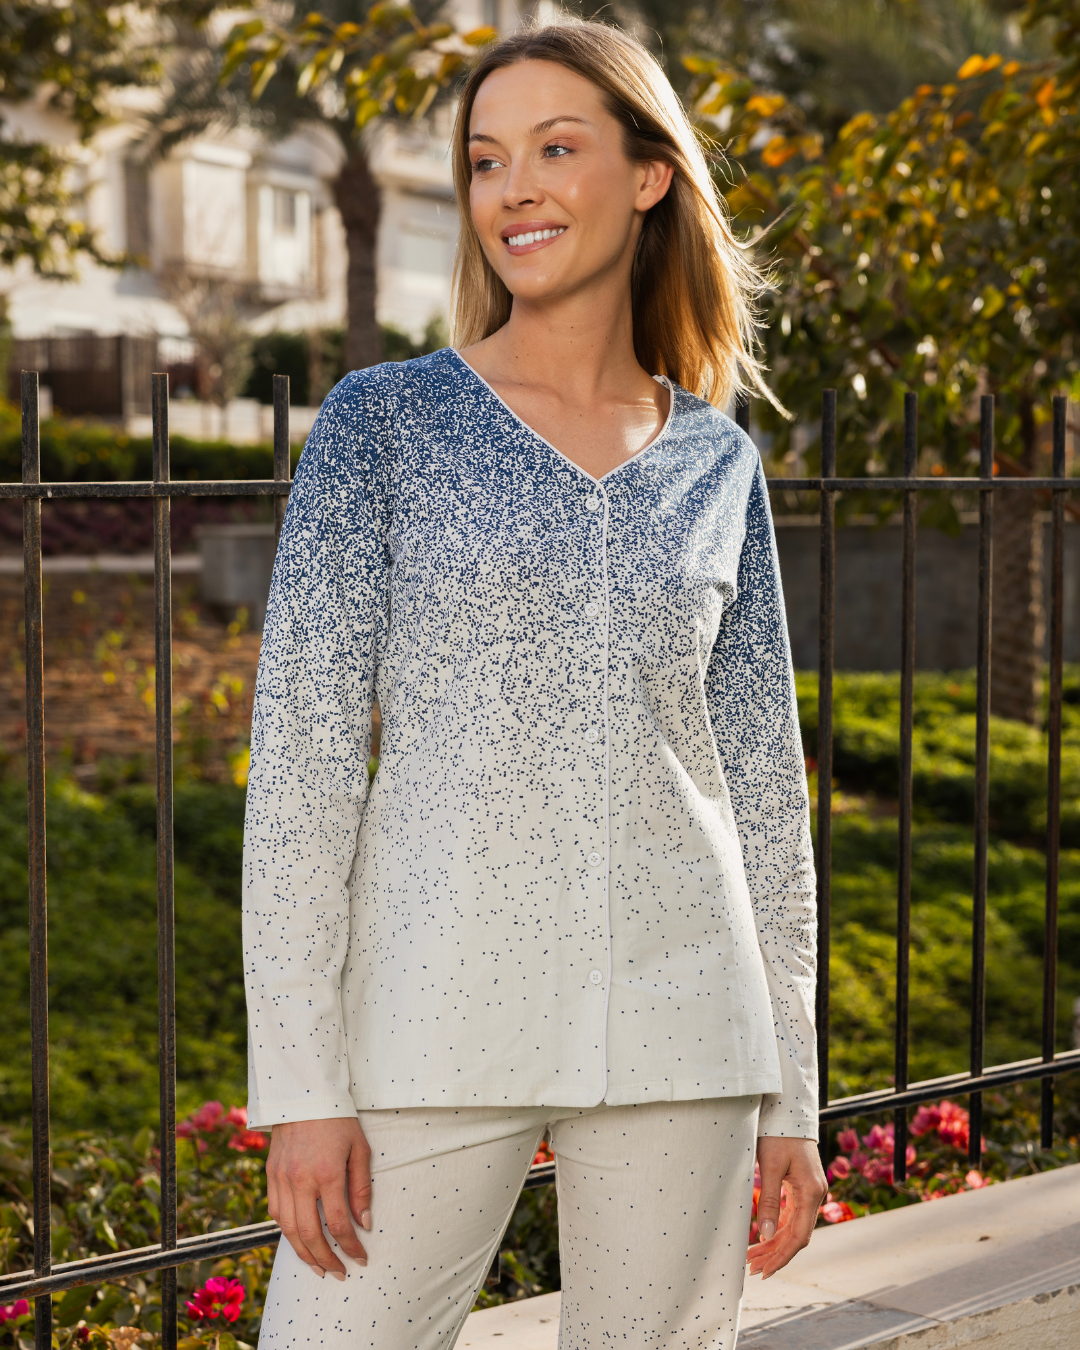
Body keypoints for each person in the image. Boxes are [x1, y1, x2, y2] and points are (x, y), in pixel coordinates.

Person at [243, 17, 826, 1350]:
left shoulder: (718, 464)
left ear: (649, 174)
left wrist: (792, 1089)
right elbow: (305, 772)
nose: (514, 188)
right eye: (486, 159)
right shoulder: (382, 426)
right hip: (431, 1013)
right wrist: (303, 1084)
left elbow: (764, 800)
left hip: (688, 1021)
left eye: (557, 148)